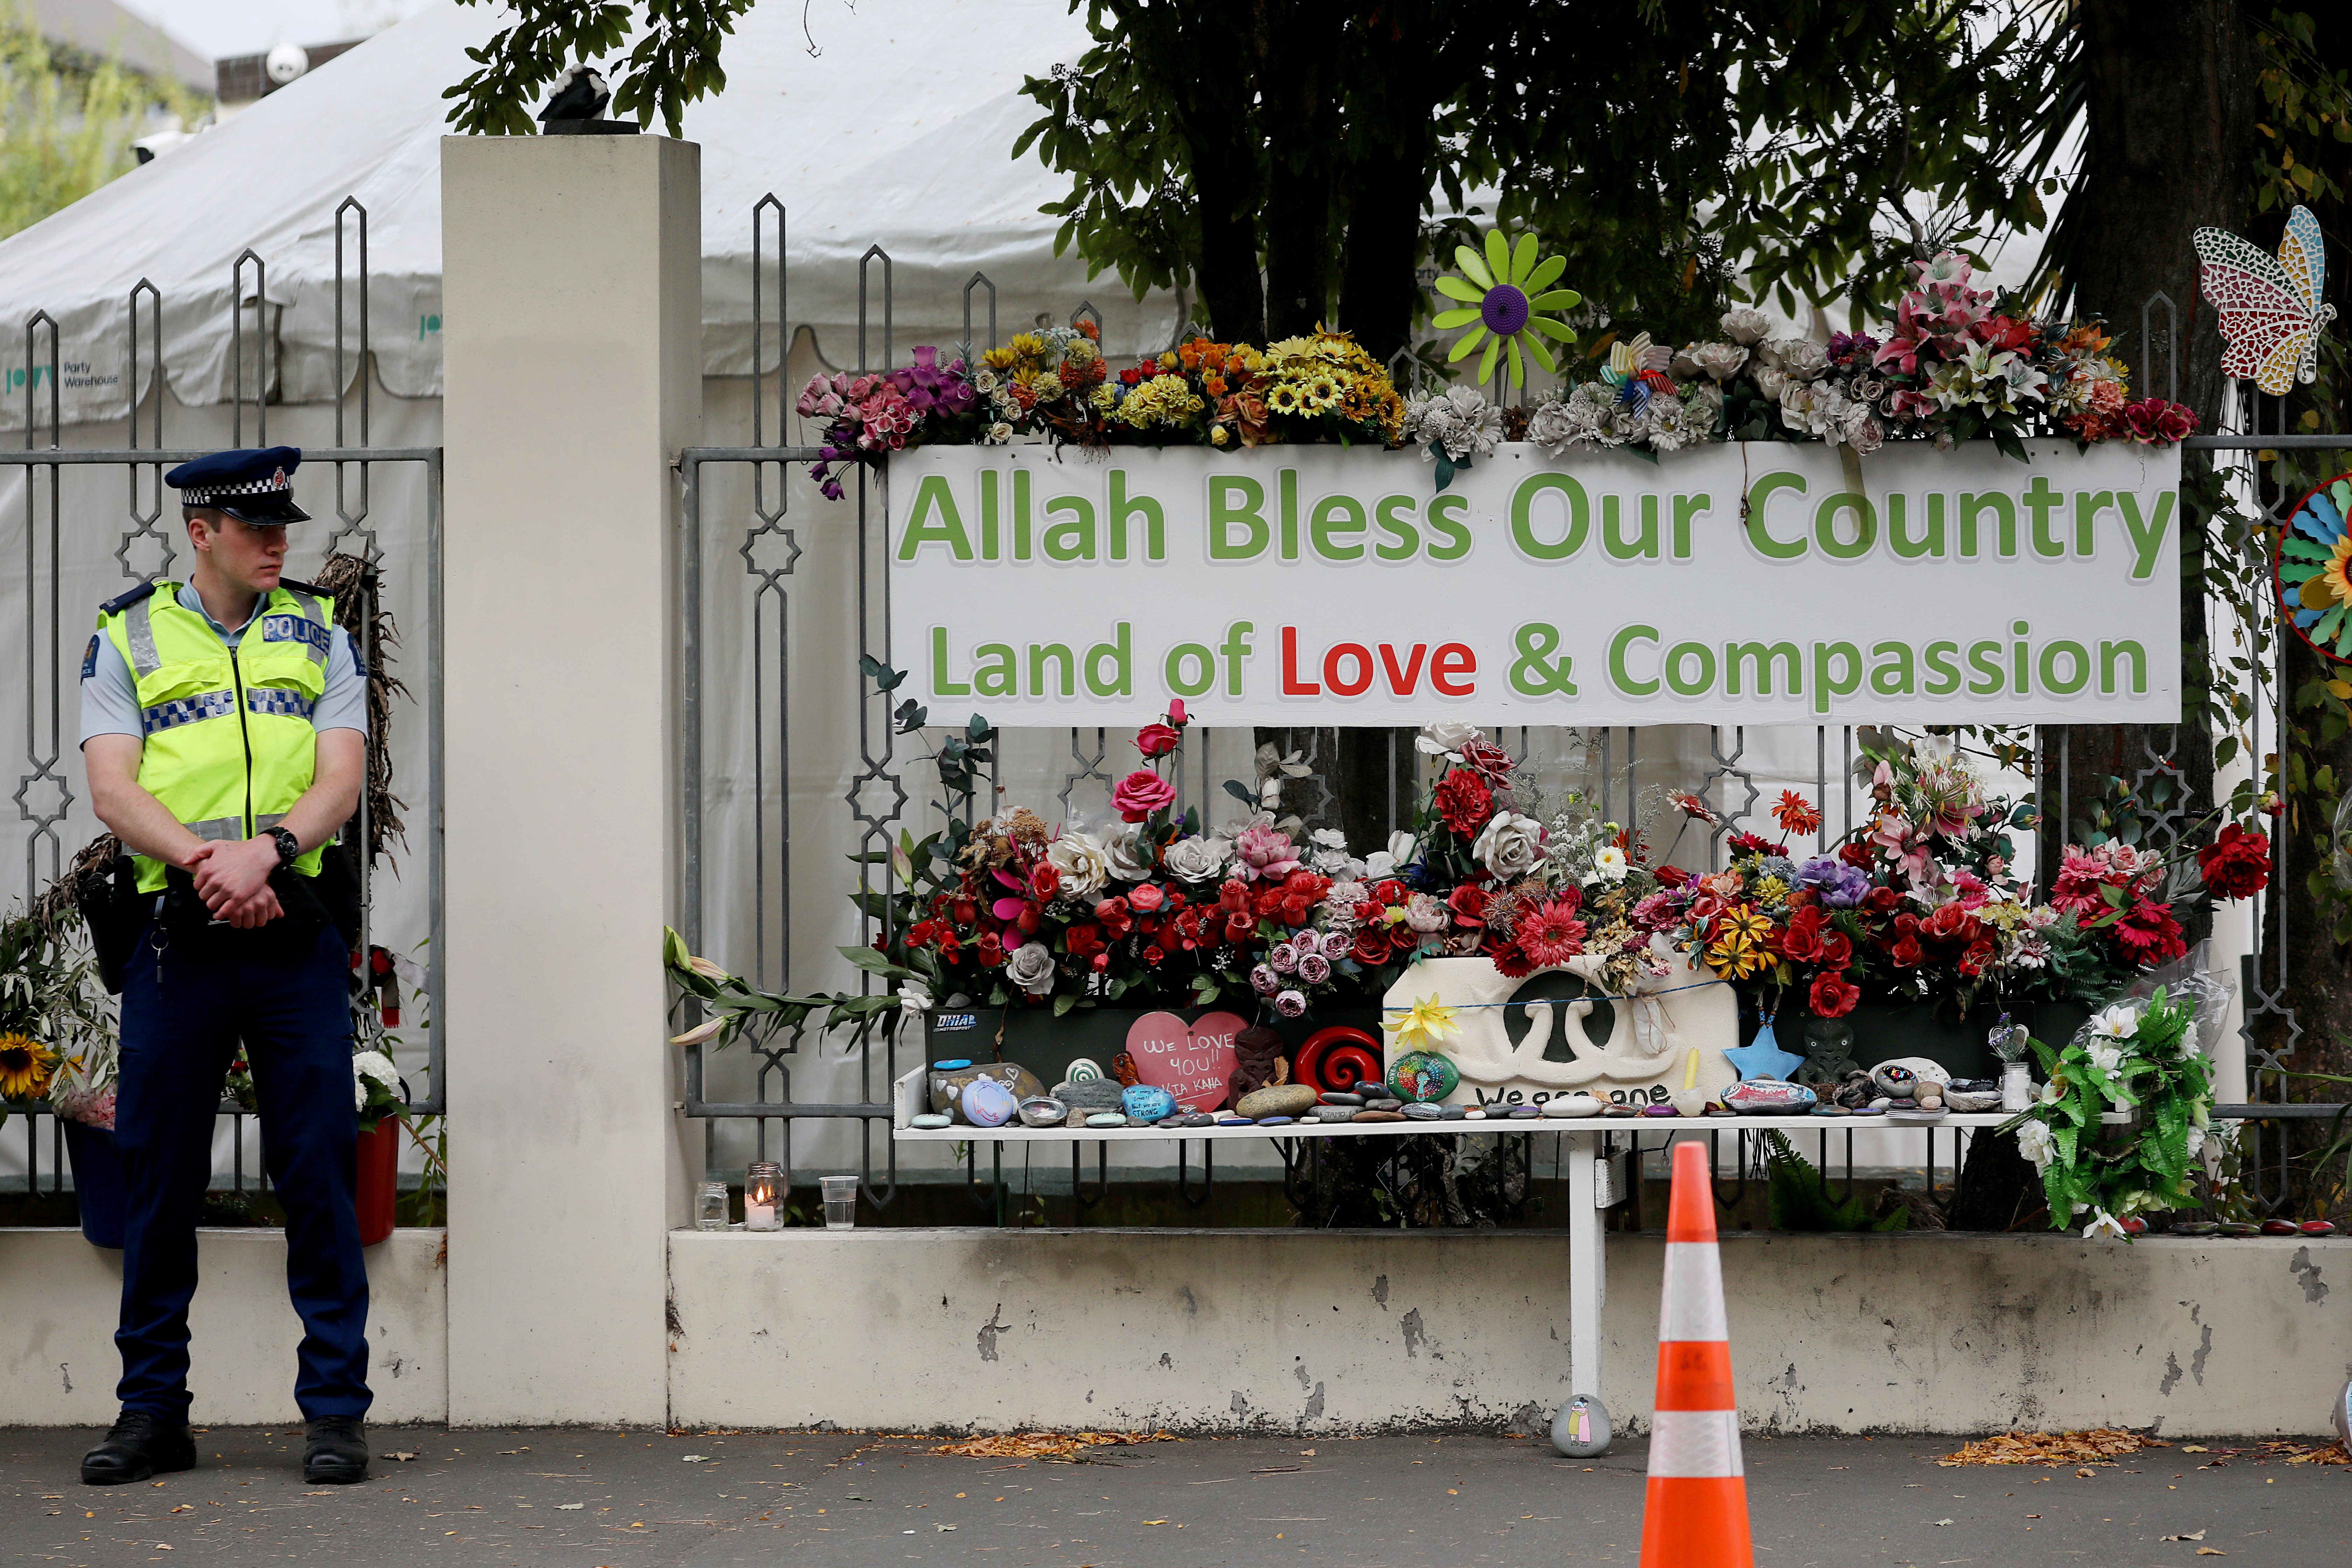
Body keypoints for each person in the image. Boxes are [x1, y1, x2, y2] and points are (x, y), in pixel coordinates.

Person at [75, 447, 373, 1486]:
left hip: (292, 929)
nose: (278, 541)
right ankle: (153, 1412)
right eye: (256, 528)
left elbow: (342, 779)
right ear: (200, 532)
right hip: (180, 937)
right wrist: (209, 860)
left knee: (320, 1174)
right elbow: (113, 790)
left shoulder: (320, 630)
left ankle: (336, 1413)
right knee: (158, 1176)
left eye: (284, 524)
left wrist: (269, 852)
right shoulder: (129, 632)